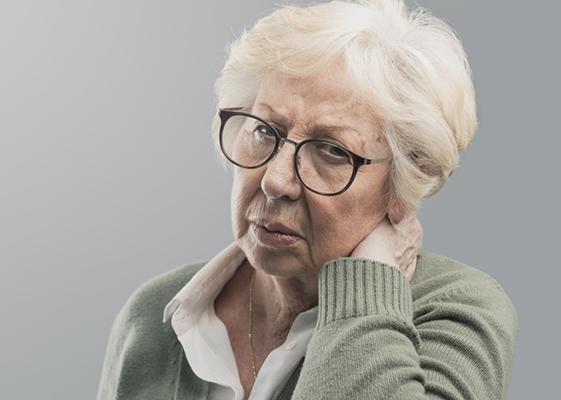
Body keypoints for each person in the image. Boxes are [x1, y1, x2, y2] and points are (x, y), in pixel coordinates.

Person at [96, 0, 519, 399]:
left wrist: (364, 289)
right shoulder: (154, 314)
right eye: (264, 131)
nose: (276, 182)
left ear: (406, 181)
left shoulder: (455, 311)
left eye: (332, 151)